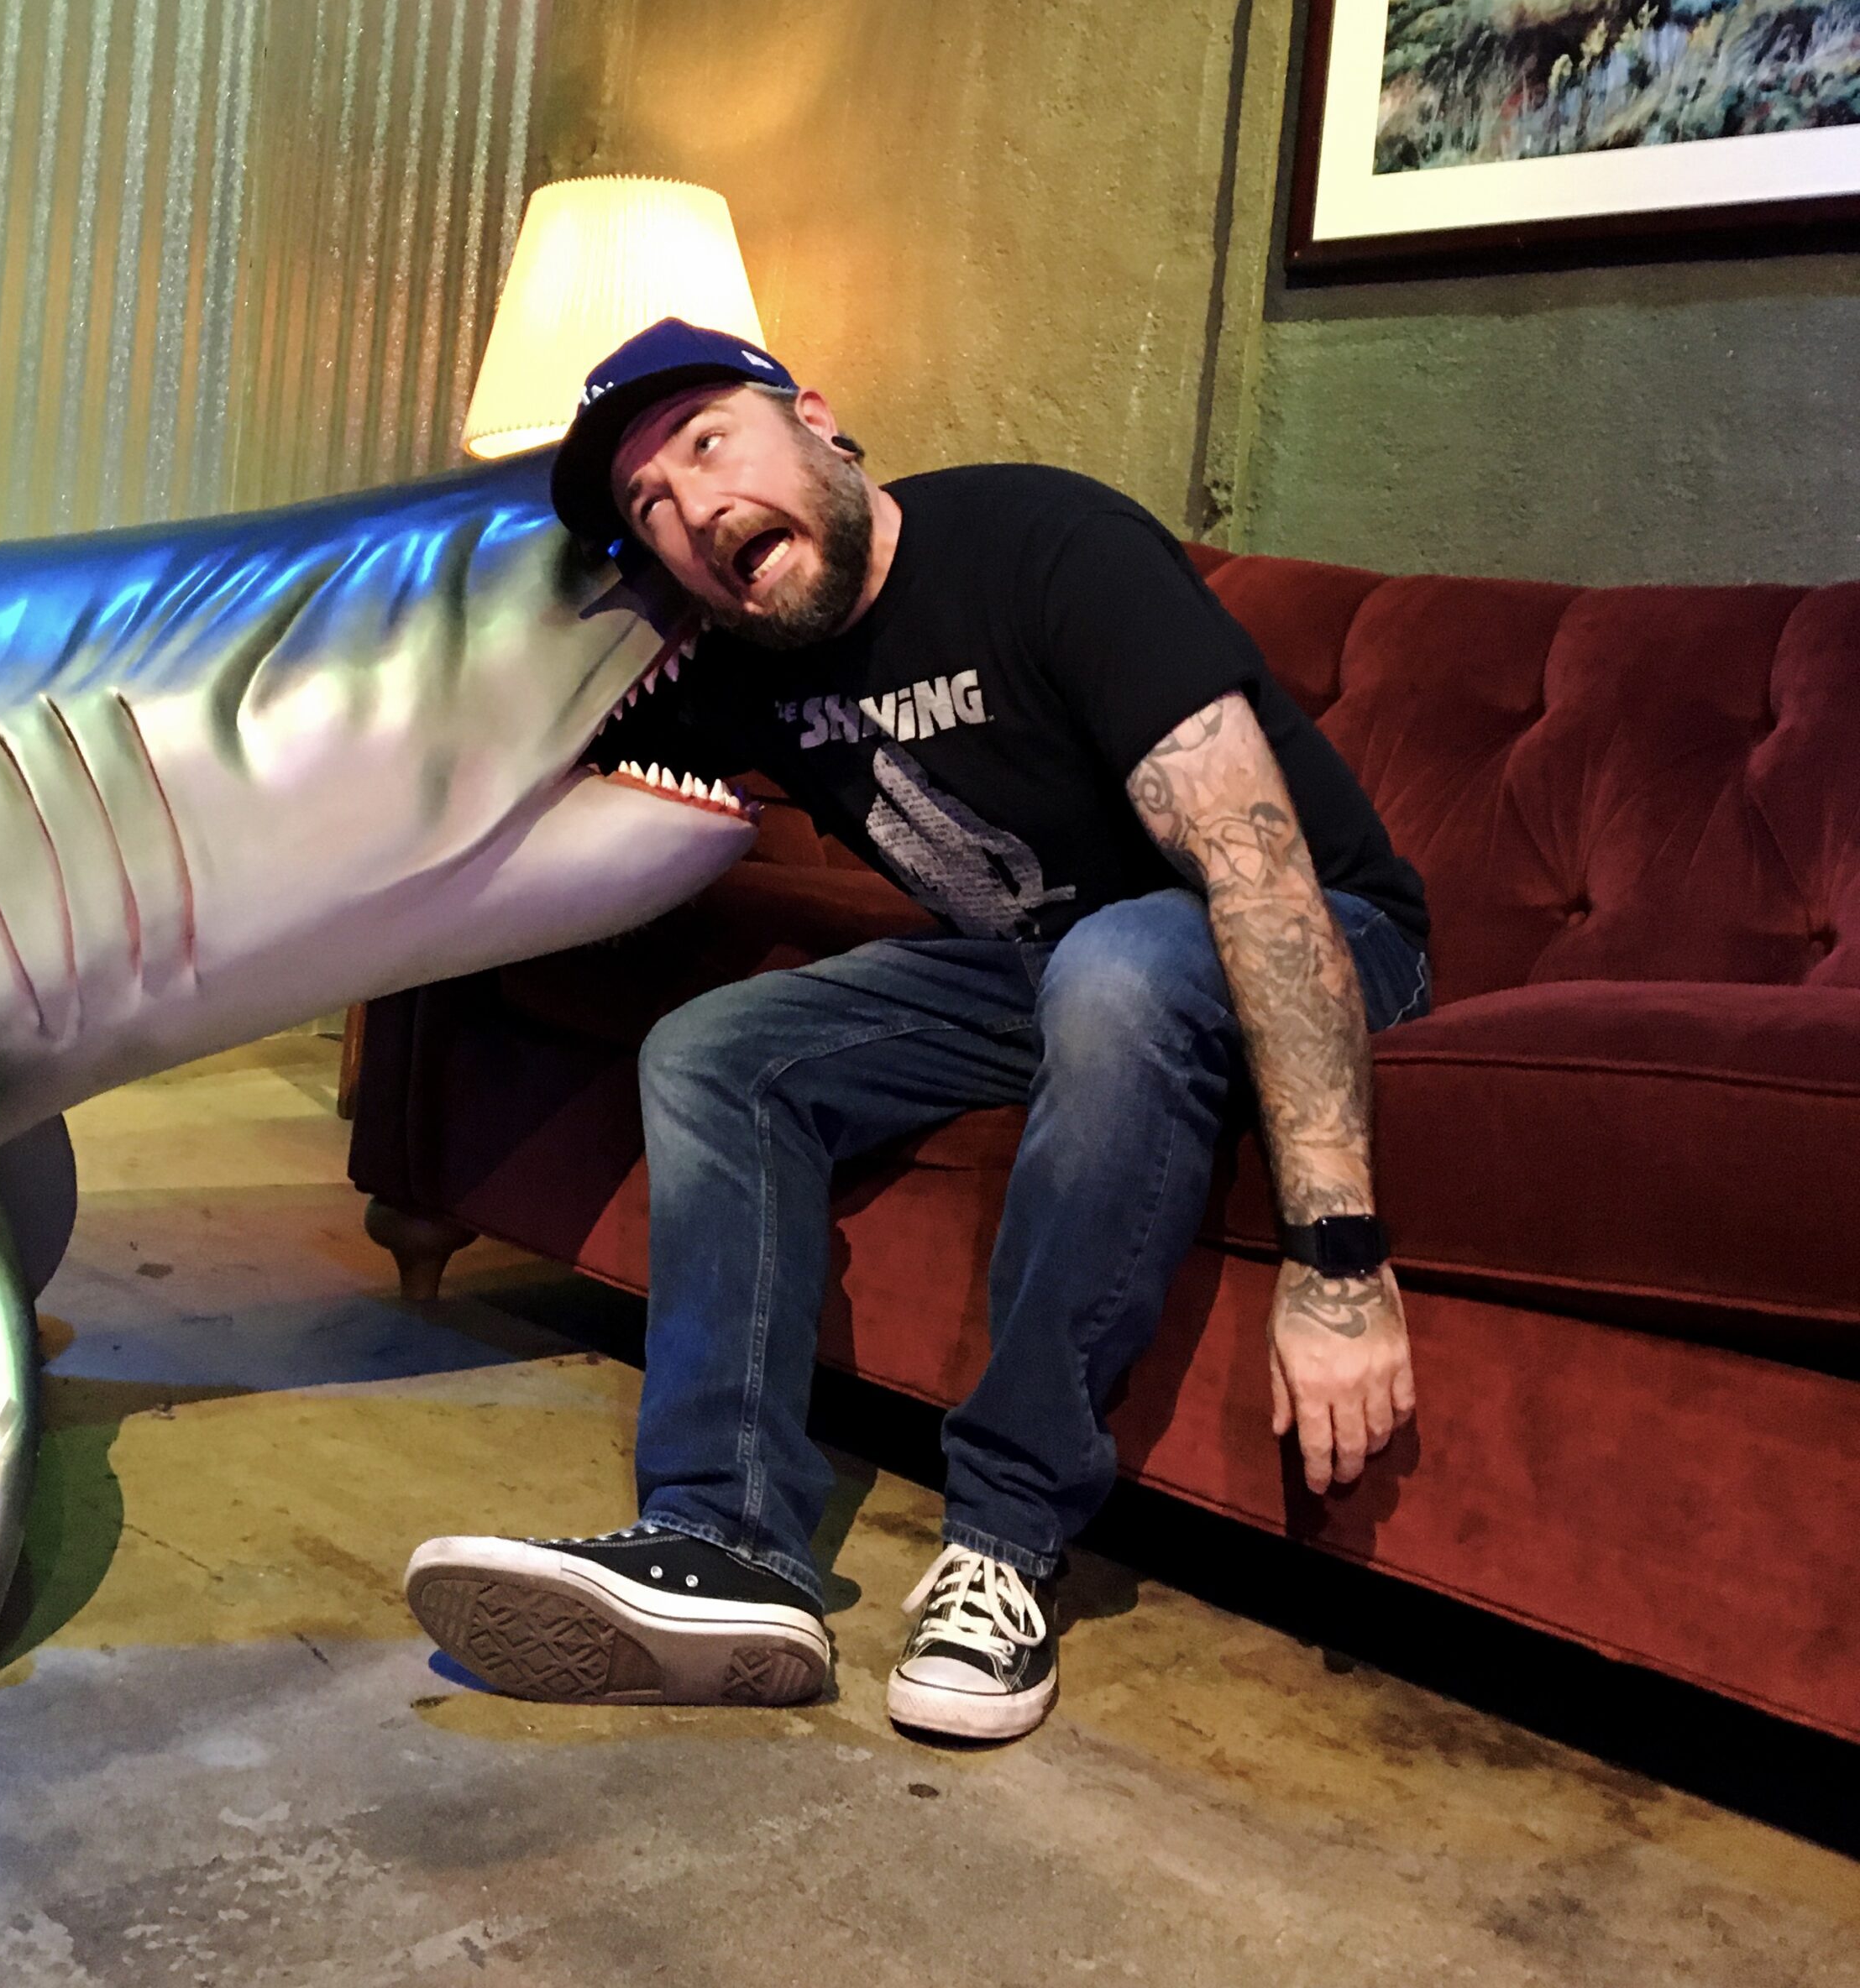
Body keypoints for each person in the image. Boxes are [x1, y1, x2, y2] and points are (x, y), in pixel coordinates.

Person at [405, 319, 1431, 1742]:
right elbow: (519, 726)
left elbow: (1259, 876)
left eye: (708, 444)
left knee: (1124, 967)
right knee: (716, 1052)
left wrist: (1337, 1265)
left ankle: (1005, 1542)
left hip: (1321, 937)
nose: (695, 511)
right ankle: (726, 1538)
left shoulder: (1047, 547)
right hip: (1051, 969)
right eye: (651, 509)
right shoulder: (752, 656)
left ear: (817, 421)